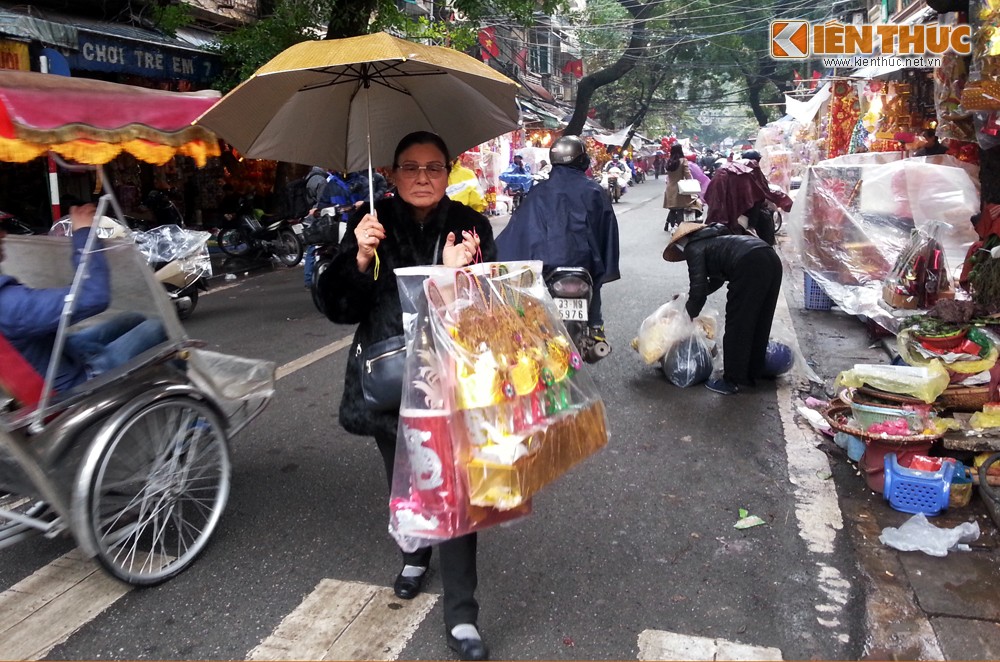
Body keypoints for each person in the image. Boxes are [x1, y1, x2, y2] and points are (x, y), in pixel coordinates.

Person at [316, 131, 493, 661]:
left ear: (448, 173)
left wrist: (461, 272)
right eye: (410, 168)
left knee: (453, 491)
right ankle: (414, 553)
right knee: (404, 478)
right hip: (387, 377)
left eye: (433, 168)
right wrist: (361, 257)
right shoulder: (370, 222)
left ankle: (462, 615)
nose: (422, 177)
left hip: (451, 379)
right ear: (390, 175)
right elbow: (339, 308)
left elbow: (490, 309)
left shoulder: (471, 224)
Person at [0, 195, 166, 394]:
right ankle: (186, 403)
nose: (4, 234)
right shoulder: (9, 304)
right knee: (156, 327)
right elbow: (93, 297)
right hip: (77, 382)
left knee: (133, 318)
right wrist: (84, 233)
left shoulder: (10, 300)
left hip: (60, 353)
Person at [495, 134, 621, 339]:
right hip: (585, 264)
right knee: (594, 280)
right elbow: (607, 234)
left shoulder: (538, 192)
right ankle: (596, 327)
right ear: (581, 160)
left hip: (547, 267)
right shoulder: (595, 192)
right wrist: (604, 264)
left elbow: (519, 230)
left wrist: (494, 253)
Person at [662, 222, 782, 395]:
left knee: (738, 323)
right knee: (761, 319)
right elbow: (715, 281)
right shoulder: (716, 240)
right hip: (769, 256)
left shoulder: (693, 248)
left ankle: (732, 380)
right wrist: (686, 298)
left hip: (749, 264)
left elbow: (698, 293)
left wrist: (687, 317)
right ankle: (753, 372)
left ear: (681, 244)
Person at [663, 144, 703, 231]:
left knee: (672, 209)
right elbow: (687, 174)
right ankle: (680, 229)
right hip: (680, 189)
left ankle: (672, 227)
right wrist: (692, 182)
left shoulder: (669, 161)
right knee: (680, 209)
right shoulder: (683, 161)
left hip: (669, 188)